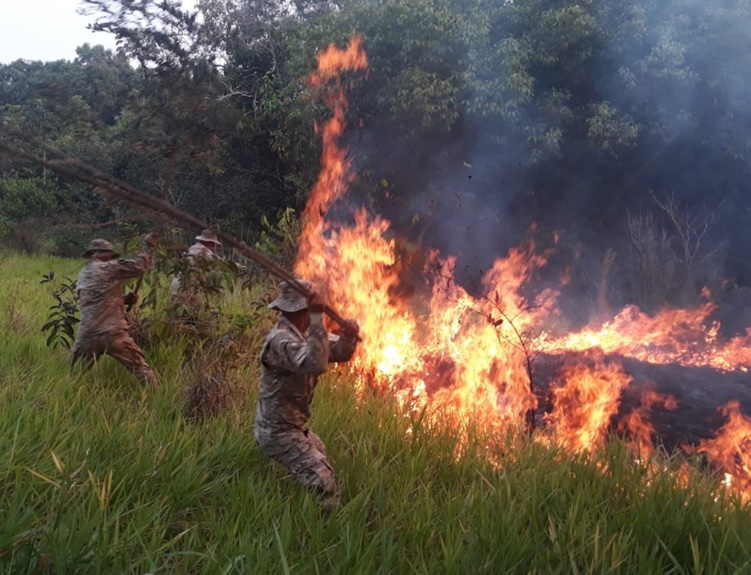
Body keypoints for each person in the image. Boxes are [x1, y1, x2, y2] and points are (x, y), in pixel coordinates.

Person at [254, 279, 360, 510]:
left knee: (319, 452)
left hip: (296, 428)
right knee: (324, 480)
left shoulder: (304, 335)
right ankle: (327, 530)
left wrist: (349, 336)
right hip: (277, 431)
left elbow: (337, 353)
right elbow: (315, 362)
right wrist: (317, 318)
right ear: (299, 310)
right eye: (307, 311)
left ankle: (296, 502)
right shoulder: (279, 341)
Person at [70, 233, 160, 387]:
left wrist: (124, 299)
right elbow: (139, 267)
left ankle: (68, 399)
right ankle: (159, 397)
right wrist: (148, 246)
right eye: (109, 255)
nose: (111, 258)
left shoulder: (84, 274)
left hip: (88, 334)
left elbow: (97, 299)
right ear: (101, 254)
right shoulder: (106, 267)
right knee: (141, 370)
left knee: (75, 375)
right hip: (112, 332)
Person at [170, 229, 222, 298]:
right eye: (214, 244)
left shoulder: (192, 248)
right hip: (185, 287)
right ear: (210, 242)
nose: (214, 246)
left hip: (177, 284)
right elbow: (220, 263)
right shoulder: (205, 252)